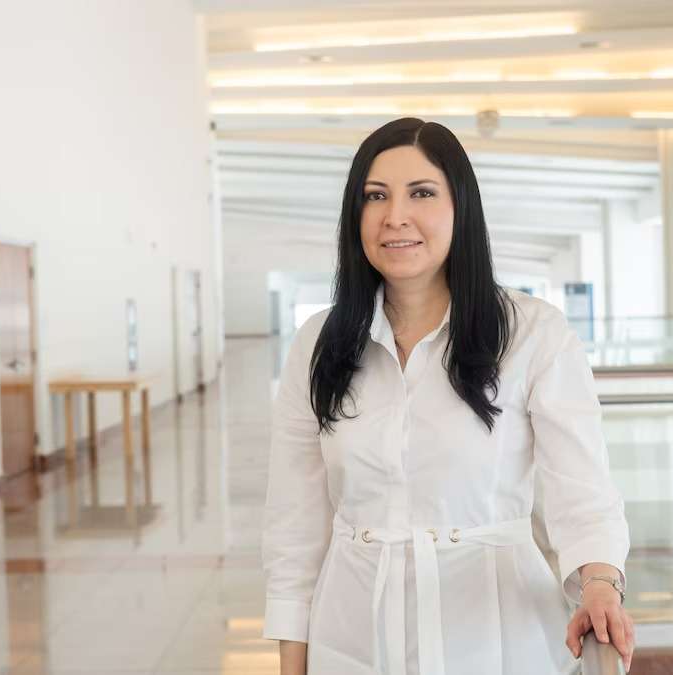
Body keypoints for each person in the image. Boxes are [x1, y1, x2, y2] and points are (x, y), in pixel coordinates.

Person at [261, 116, 633, 675]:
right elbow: (295, 523)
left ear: (461, 207)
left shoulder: (534, 333)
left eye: (422, 193)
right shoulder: (319, 343)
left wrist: (600, 583)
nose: (395, 216)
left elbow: (583, 493)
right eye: (375, 196)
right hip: (354, 632)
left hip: (495, 633)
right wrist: (293, 663)